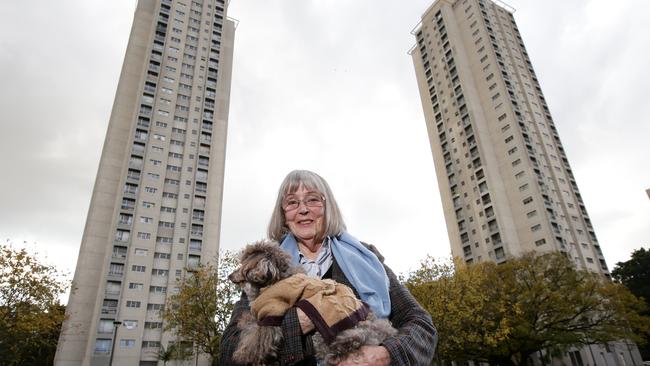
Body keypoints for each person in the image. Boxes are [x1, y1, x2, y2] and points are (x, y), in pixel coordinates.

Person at [220, 170, 437, 365]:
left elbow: (420, 323)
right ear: (284, 215)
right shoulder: (267, 269)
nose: (303, 209)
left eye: (313, 200)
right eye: (292, 202)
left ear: (327, 208)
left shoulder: (366, 257)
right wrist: (299, 323)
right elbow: (230, 349)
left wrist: (385, 354)